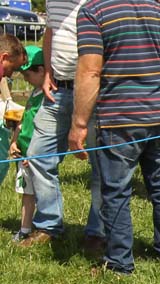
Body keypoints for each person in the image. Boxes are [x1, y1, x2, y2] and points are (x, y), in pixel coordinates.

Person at [69, 0, 160, 275]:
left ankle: (119, 263)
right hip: (158, 116)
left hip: (118, 119)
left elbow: (90, 70)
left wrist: (79, 124)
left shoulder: (94, 11)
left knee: (116, 192)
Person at [12, 2, 102, 250]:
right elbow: (51, 31)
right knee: (38, 155)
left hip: (94, 91)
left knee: (101, 163)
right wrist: (49, 71)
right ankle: (49, 225)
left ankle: (97, 232)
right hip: (58, 90)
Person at [9, 46, 45, 243]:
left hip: (34, 155)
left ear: (41, 71)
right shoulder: (33, 94)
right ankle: (27, 227)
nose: (24, 79)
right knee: (26, 192)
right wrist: (14, 141)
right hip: (24, 153)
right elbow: (22, 121)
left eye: (27, 74)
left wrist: (33, 154)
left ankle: (31, 228)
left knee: (33, 193)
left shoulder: (47, 98)